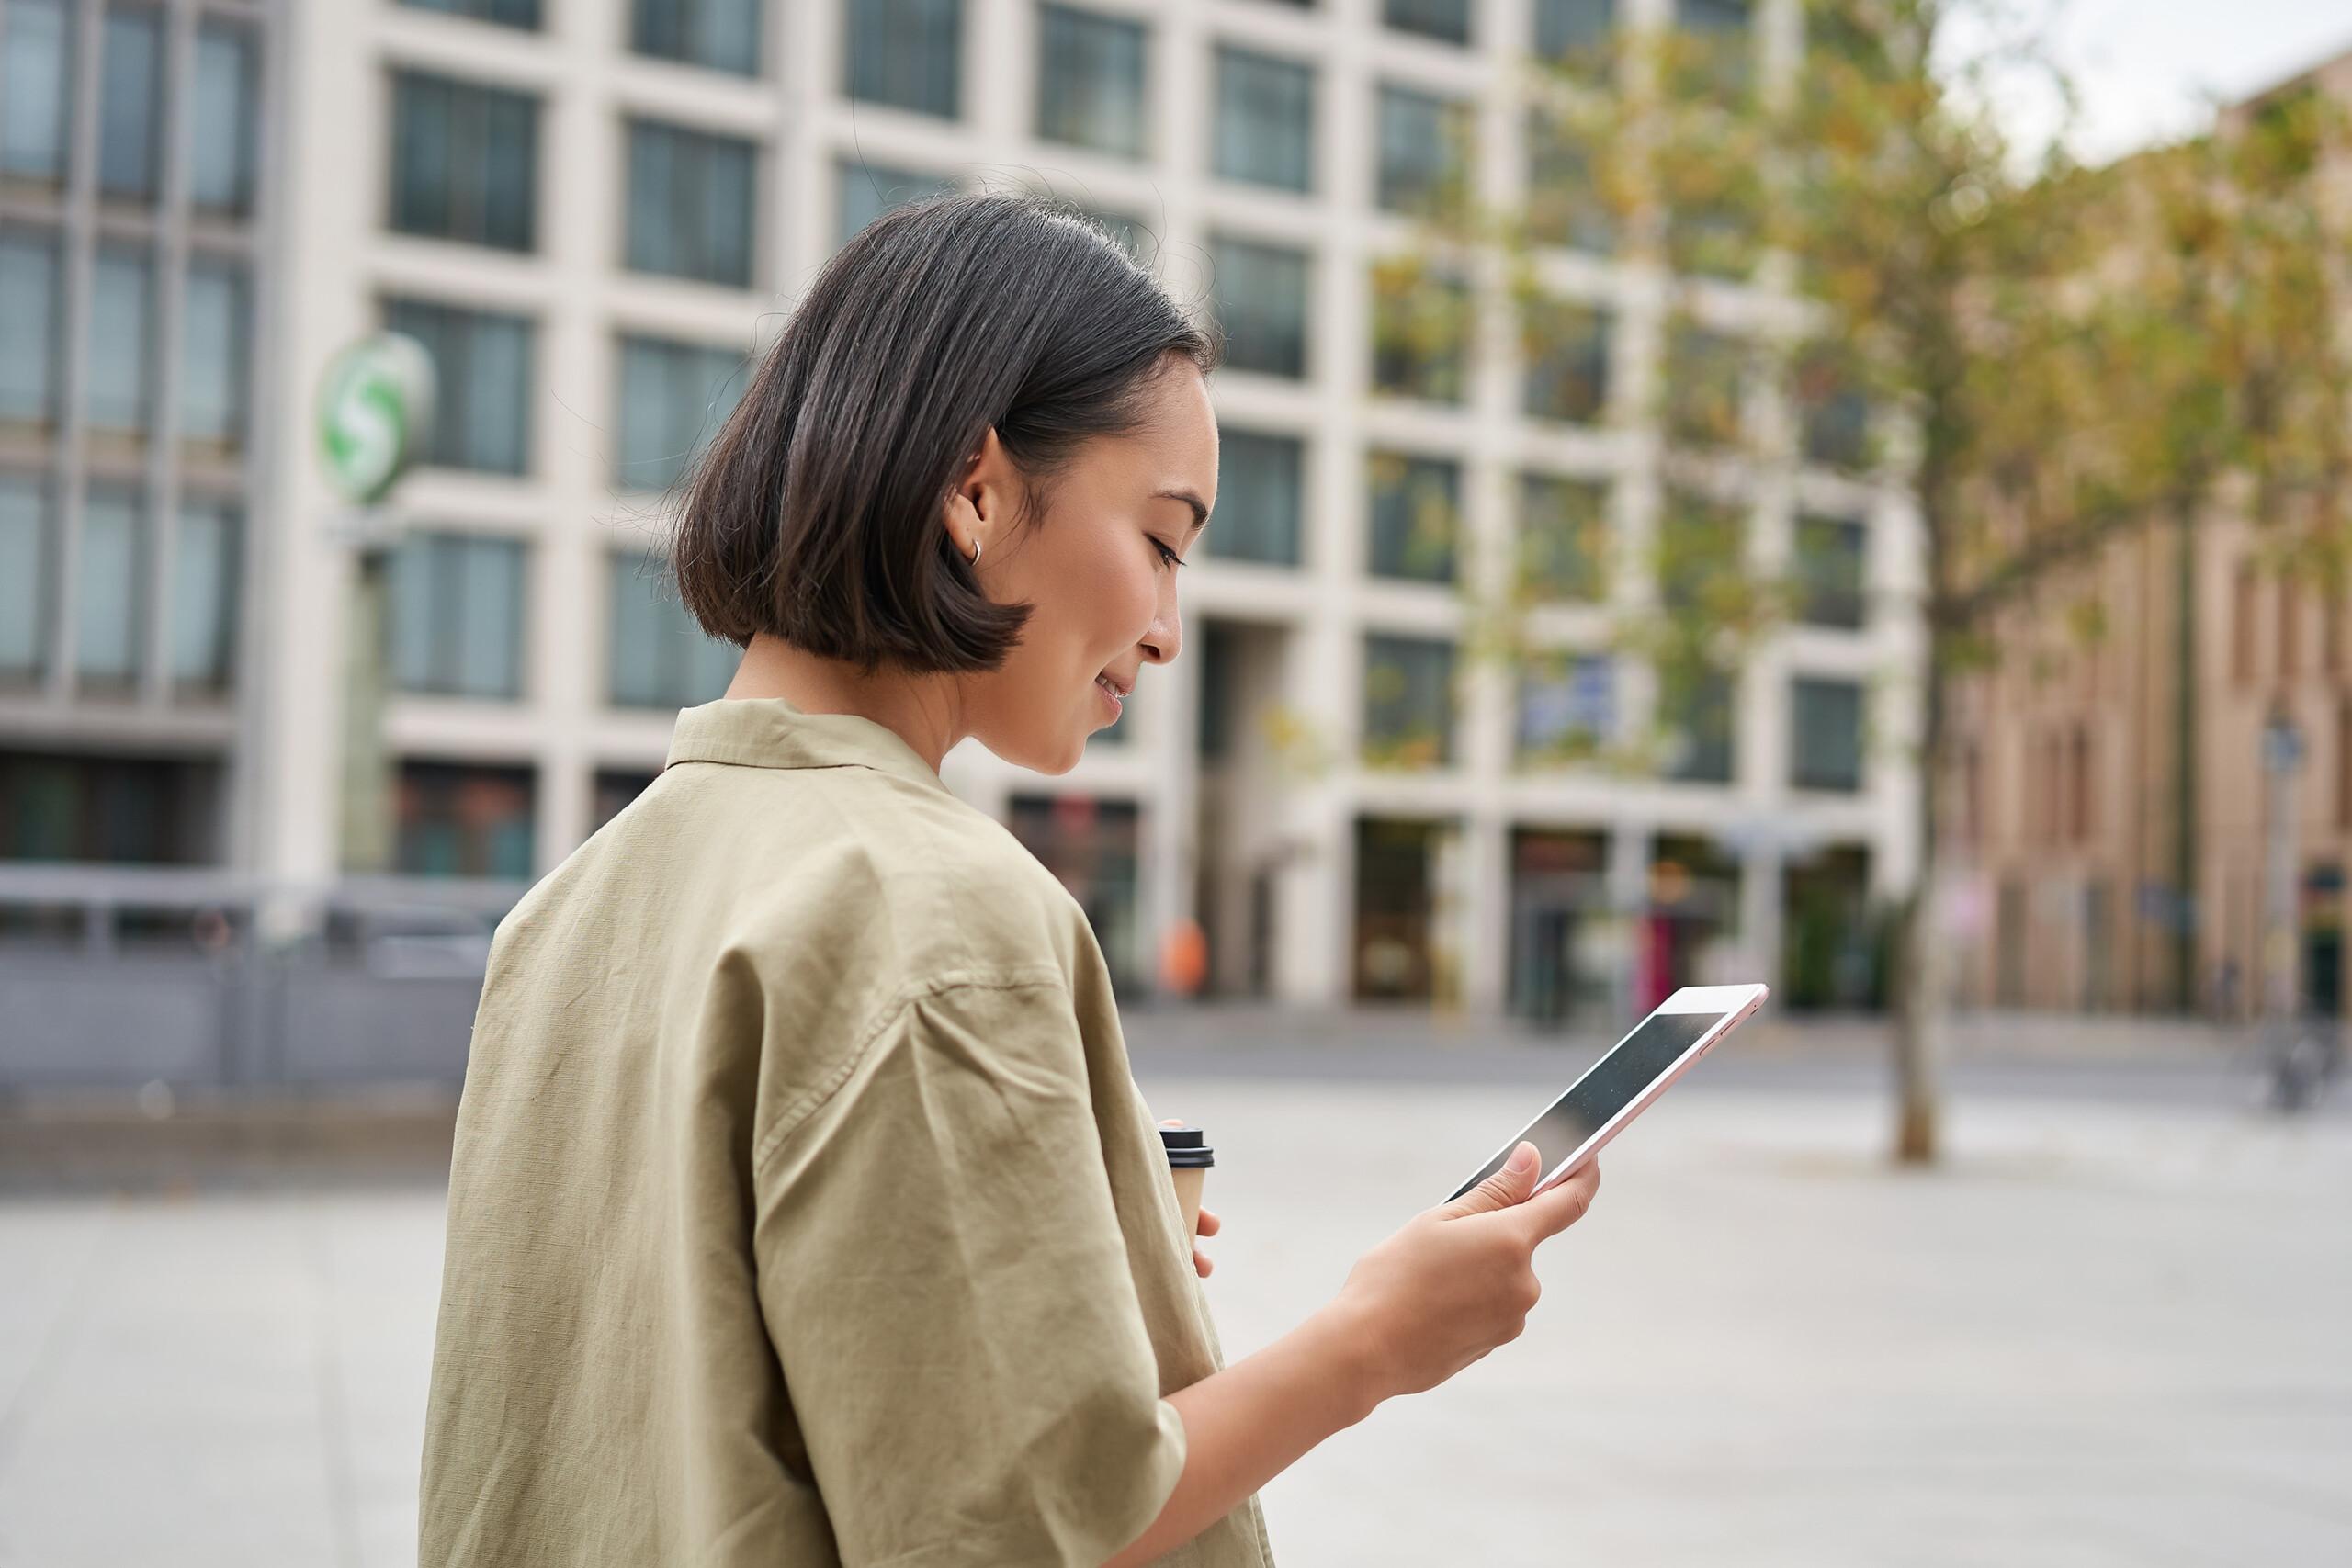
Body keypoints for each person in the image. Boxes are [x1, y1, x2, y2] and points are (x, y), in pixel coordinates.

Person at [415, 192, 1602, 1568]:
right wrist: (1370, 1344)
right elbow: (1025, 1533)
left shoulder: (563, 914)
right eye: (1161, 540)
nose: (1165, 632)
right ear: (976, 490)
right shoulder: (931, 910)